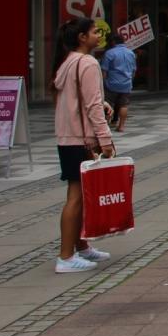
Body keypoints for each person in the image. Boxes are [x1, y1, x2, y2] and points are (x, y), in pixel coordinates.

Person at [52, 17, 116, 273]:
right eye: (94, 32)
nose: (98, 35)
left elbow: (79, 100)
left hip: (68, 137)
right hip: (82, 139)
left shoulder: (67, 61)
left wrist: (102, 104)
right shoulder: (88, 63)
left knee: (80, 195)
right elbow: (91, 106)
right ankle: (66, 257)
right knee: (76, 197)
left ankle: (81, 246)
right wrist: (105, 139)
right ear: (82, 37)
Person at [100, 33, 137, 133]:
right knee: (123, 105)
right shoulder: (131, 53)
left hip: (111, 84)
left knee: (107, 104)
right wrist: (130, 81)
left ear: (113, 42)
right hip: (126, 84)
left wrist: (102, 83)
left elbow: (104, 71)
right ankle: (121, 126)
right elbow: (133, 70)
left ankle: (106, 126)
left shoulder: (109, 53)